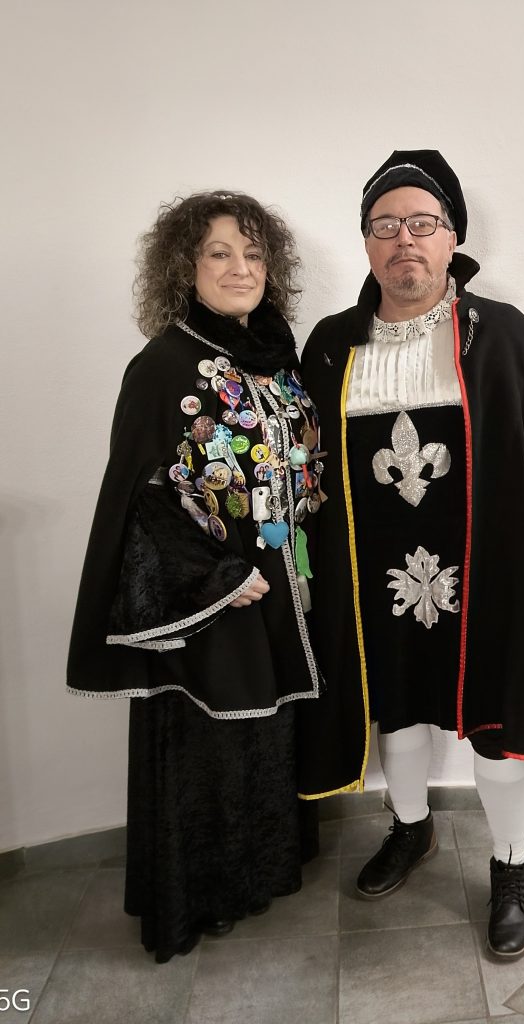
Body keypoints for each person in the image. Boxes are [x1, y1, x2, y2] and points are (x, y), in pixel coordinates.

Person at [296, 151, 524, 959]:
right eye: (385, 224)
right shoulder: (331, 346)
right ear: (366, 242)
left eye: (422, 222)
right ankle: (411, 828)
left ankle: (510, 864)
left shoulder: (503, 338)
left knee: (496, 726)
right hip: (375, 574)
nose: (404, 239)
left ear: (453, 237)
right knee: (396, 709)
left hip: (487, 571)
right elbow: (309, 473)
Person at [67, 191, 326, 963]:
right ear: (185, 266)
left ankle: (261, 875)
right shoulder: (163, 366)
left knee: (268, 733)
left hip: (284, 587)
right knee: (207, 741)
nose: (241, 268)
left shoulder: (276, 356)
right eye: (220, 253)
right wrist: (216, 577)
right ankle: (200, 898)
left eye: (253, 253)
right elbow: (139, 499)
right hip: (214, 597)